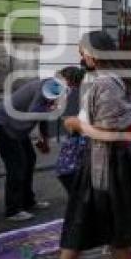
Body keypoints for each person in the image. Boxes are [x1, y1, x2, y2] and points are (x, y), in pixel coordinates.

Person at [21, 31, 131, 259]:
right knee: (82, 224)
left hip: (110, 164)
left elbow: (112, 132)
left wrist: (78, 125)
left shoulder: (106, 82)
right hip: (105, 161)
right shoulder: (112, 78)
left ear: (96, 53)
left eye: (84, 51)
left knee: (109, 232)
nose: (81, 57)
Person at [0, 76, 60, 221]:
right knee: (17, 164)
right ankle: (13, 210)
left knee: (29, 159)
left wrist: (45, 139)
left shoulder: (53, 89)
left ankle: (27, 201)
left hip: (15, 127)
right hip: (2, 124)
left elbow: (42, 116)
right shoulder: (43, 88)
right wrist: (50, 109)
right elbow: (34, 112)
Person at [56, 66, 87, 194]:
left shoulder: (74, 93)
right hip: (78, 136)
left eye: (61, 78)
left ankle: (79, 198)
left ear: (68, 79)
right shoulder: (75, 92)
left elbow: (69, 119)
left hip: (78, 137)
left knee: (66, 171)